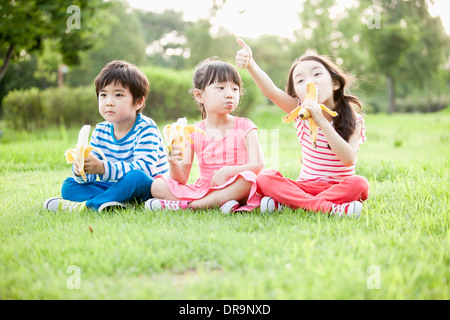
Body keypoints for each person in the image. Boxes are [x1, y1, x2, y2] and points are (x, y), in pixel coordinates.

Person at [235, 39, 369, 218]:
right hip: (305, 186)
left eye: (317, 75)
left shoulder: (355, 120)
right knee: (264, 177)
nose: (309, 83)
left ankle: (291, 203)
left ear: (335, 83)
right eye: (300, 80)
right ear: (297, 93)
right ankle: (329, 208)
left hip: (337, 188)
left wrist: (321, 121)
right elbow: (271, 91)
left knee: (360, 184)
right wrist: (250, 64)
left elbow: (348, 159)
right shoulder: (298, 111)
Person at [44, 60, 169, 213]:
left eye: (118, 95)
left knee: (137, 177)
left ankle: (87, 206)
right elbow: (91, 174)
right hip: (115, 186)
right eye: (103, 95)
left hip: (149, 187)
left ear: (137, 102)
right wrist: (82, 170)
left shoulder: (146, 128)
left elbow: (145, 169)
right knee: (69, 186)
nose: (109, 102)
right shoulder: (100, 130)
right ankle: (116, 202)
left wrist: (102, 167)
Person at [145, 58, 265, 213]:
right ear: (199, 95)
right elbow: (181, 179)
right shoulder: (193, 132)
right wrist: (173, 162)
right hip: (204, 189)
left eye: (235, 89)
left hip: (235, 185)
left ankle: (190, 206)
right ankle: (220, 203)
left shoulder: (245, 126)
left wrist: (227, 172)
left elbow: (258, 166)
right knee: (157, 185)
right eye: (220, 88)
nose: (229, 94)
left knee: (249, 179)